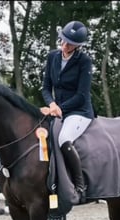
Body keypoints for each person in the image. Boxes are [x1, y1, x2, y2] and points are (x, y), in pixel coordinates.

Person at [40, 20, 95, 204]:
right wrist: (52, 104)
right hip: (57, 109)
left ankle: (80, 187)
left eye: (70, 43)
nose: (65, 45)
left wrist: (59, 108)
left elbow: (81, 95)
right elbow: (46, 87)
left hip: (79, 111)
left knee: (63, 138)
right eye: (63, 40)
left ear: (77, 46)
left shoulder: (84, 61)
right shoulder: (52, 57)